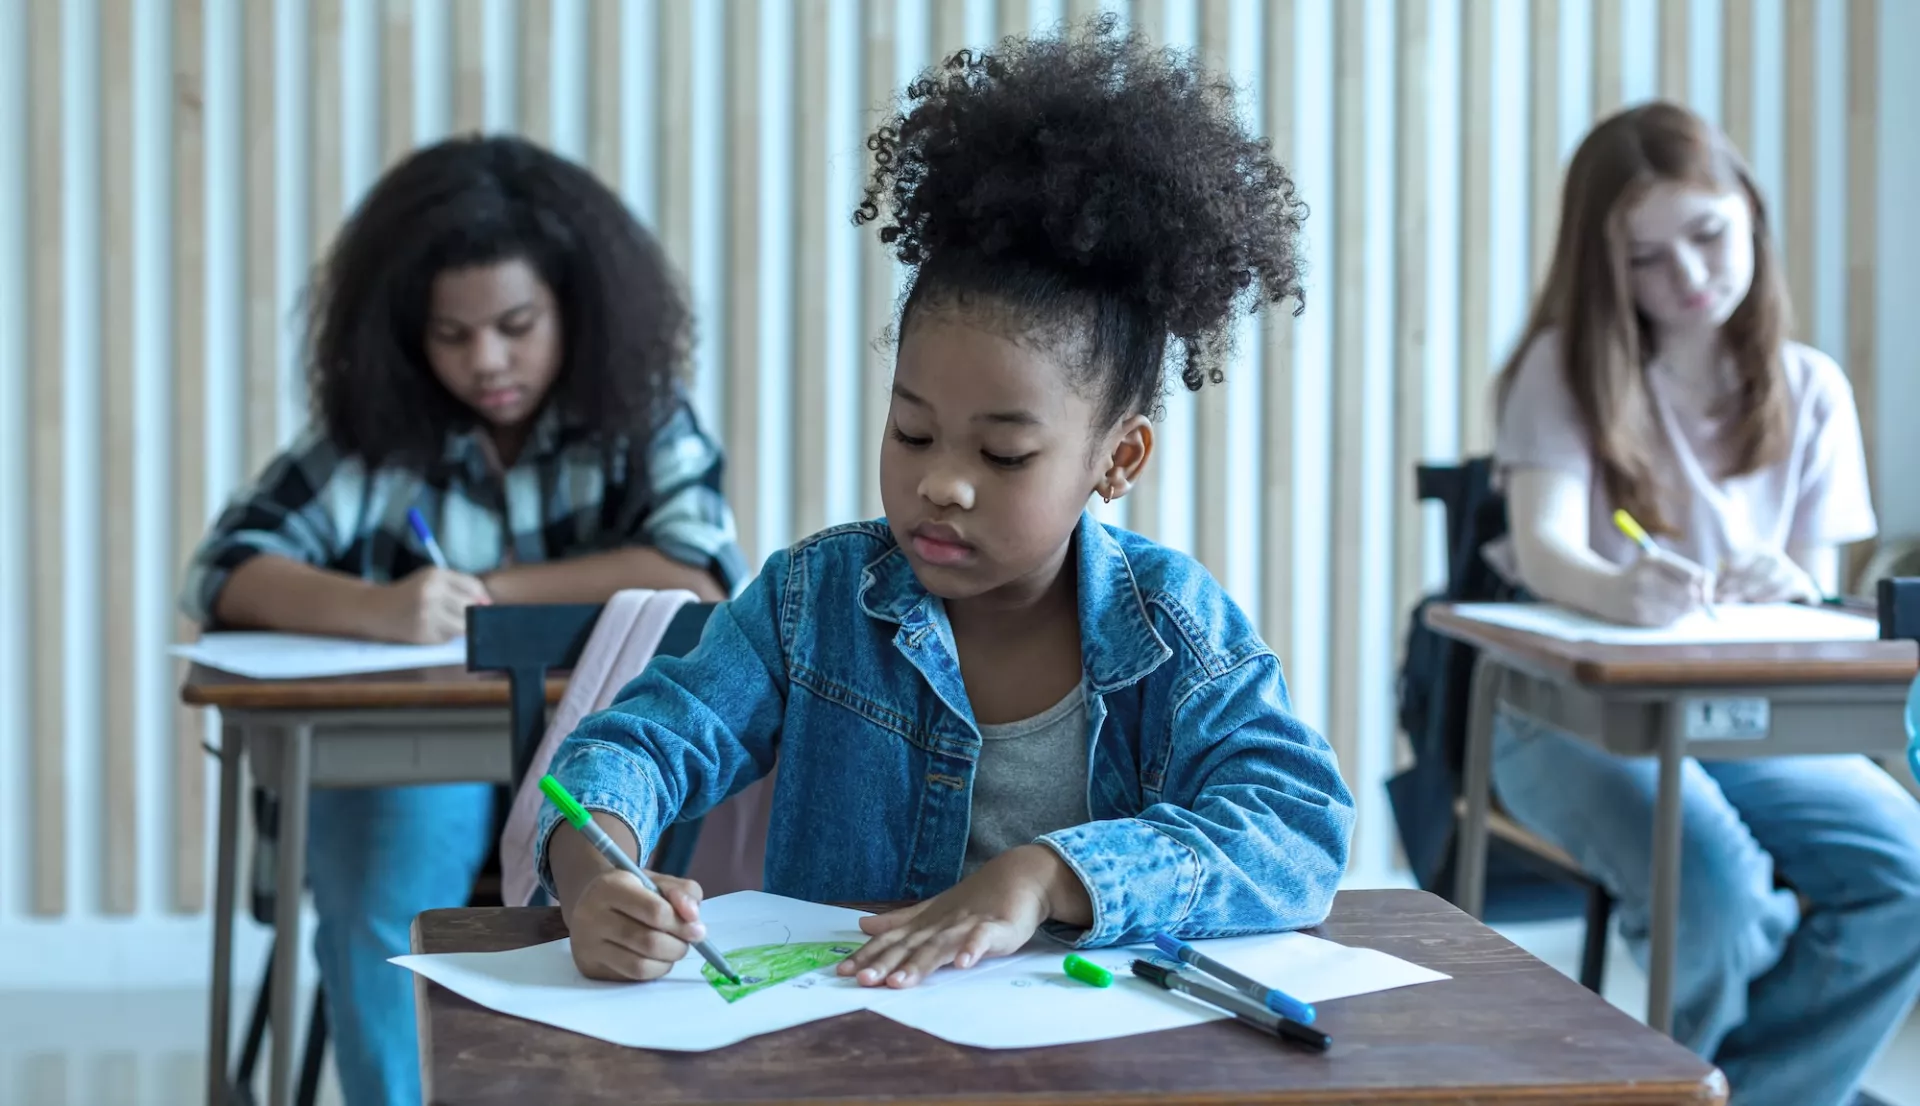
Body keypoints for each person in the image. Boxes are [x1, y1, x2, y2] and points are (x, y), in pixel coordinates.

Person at [537, 16, 1354, 991]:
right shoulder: (814, 601)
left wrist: (1049, 873)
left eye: (1003, 452)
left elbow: (1297, 824)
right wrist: (594, 872)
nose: (941, 482)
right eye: (912, 431)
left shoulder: (1172, 625)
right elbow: (640, 741)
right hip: (848, 1047)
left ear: (1118, 456)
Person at [180, 136, 746, 1106]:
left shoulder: (642, 416)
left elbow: (697, 569)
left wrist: (486, 589)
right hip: (414, 757)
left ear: (577, 305)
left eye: (516, 324)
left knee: (638, 862)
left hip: (600, 749)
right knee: (391, 861)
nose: (487, 360)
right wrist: (378, 608)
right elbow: (223, 568)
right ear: (407, 331)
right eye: (451, 335)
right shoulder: (375, 433)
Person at [1490, 101, 1920, 1106]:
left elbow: (1811, 582)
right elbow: (1548, 547)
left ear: (1752, 217)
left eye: (1708, 236)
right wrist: (1616, 586)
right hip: (1574, 715)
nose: (1687, 277)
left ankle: (1747, 1092)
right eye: (1647, 257)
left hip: (1750, 716)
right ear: (1604, 266)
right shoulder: (1566, 369)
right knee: (1716, 892)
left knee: (1907, 877)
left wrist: (1798, 582)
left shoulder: (1811, 388)